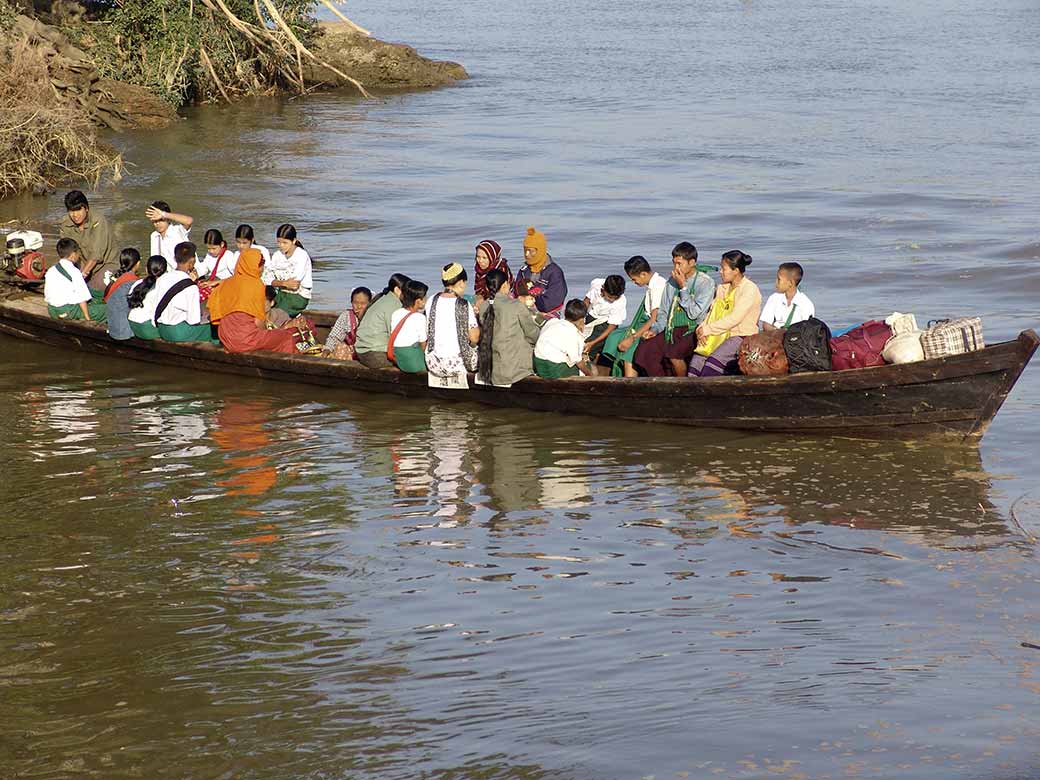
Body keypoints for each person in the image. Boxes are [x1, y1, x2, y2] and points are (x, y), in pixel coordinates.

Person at [633, 242, 716, 377]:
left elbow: (694, 313)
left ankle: (682, 385)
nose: (676, 267)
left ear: (692, 262)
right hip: (672, 328)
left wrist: (683, 287)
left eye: (679, 263)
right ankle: (661, 383)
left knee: (674, 354)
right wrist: (654, 330)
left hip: (693, 329)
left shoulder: (705, 282)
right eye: (674, 263)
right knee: (644, 350)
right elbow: (663, 312)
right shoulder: (672, 281)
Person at [206, 248, 297, 354]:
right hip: (246, 340)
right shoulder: (256, 285)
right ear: (255, 267)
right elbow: (258, 322)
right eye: (261, 265)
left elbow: (215, 315)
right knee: (286, 336)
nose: (262, 269)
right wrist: (270, 332)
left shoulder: (226, 283)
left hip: (225, 338)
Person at [687, 250, 763, 377]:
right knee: (696, 363)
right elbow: (712, 312)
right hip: (719, 333)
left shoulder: (749, 289)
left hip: (741, 336)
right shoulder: (723, 287)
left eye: (724, 268)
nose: (720, 271)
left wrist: (708, 329)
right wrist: (701, 329)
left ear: (736, 270)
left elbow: (735, 318)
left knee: (710, 366)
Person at [600, 256, 668, 377]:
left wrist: (632, 338)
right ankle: (608, 373)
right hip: (645, 322)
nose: (634, 282)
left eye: (634, 279)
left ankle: (629, 380)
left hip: (653, 325)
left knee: (630, 351)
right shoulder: (652, 284)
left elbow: (654, 319)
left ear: (643, 274)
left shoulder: (657, 286)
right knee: (613, 337)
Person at [476, 267, 541, 387]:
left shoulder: (483, 307)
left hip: (490, 370)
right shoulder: (516, 306)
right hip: (514, 371)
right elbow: (533, 334)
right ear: (505, 284)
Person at [425, 263, 480, 381]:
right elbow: (474, 338)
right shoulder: (464, 304)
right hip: (456, 366)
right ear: (460, 283)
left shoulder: (431, 300)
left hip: (433, 363)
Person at [154, 241, 213, 343]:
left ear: (175, 259)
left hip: (162, 329)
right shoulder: (191, 287)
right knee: (214, 328)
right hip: (178, 333)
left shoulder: (162, 278)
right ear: (192, 261)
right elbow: (194, 320)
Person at [58, 190, 117, 291]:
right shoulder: (65, 224)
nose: (75, 215)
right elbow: (67, 253)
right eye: (71, 211)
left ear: (86, 208)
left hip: (106, 264)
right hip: (82, 265)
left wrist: (81, 277)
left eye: (78, 210)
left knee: (96, 288)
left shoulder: (98, 221)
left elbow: (96, 255)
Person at [44, 238, 107, 322]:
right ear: (73, 255)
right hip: (69, 311)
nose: (79, 255)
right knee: (106, 310)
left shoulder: (51, 270)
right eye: (78, 253)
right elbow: (82, 299)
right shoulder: (74, 272)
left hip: (52, 310)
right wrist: (87, 319)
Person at [355, 273, 409, 368]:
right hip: (373, 354)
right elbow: (396, 336)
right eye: (407, 292)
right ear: (397, 290)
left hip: (362, 351)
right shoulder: (394, 304)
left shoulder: (383, 298)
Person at [512, 226, 567, 318]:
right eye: (525, 250)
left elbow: (552, 302)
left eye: (530, 251)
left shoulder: (554, 272)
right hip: (523, 312)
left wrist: (531, 302)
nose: (527, 254)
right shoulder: (524, 270)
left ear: (540, 250)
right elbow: (517, 291)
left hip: (548, 315)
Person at [262, 223, 312, 317]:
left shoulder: (302, 255)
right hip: (281, 294)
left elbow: (294, 285)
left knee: (275, 315)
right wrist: (284, 283)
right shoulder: (277, 255)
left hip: (298, 297)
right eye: (279, 242)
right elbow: (266, 278)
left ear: (293, 241)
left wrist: (276, 282)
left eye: (285, 243)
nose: (281, 246)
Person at [534, 299, 591, 378]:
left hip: (539, 363)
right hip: (552, 369)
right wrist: (590, 374)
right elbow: (577, 361)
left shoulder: (552, 322)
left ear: (565, 313)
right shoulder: (572, 333)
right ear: (582, 320)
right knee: (591, 367)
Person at [581, 274, 627, 372]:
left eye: (615, 298)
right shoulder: (596, 286)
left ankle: (588, 368)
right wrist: (580, 319)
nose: (612, 300)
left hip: (606, 323)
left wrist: (592, 343)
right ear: (603, 290)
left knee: (588, 346)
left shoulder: (620, 302)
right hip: (591, 317)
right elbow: (586, 302)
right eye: (610, 297)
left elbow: (611, 326)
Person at [388, 280, 430, 373]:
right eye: (425, 298)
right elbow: (423, 346)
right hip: (413, 363)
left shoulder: (396, 313)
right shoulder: (420, 317)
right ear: (418, 301)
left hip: (399, 360)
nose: (426, 300)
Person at [759, 262, 814, 331]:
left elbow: (806, 330)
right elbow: (766, 324)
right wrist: (777, 332)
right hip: (774, 335)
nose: (776, 283)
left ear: (790, 283)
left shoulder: (805, 304)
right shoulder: (774, 298)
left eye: (779, 280)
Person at [323, 286, 373, 359]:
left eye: (363, 303)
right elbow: (335, 337)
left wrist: (361, 318)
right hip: (351, 353)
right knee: (340, 348)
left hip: (368, 353)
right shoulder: (346, 316)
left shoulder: (374, 316)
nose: (358, 306)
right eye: (355, 303)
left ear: (369, 304)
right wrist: (327, 349)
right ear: (351, 302)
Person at [104, 248, 142, 341]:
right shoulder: (132, 281)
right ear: (137, 263)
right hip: (124, 331)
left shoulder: (117, 276)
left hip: (112, 325)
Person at [127, 255, 168, 339]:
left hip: (132, 323)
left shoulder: (137, 283)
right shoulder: (162, 288)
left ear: (146, 269)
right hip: (146, 328)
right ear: (165, 271)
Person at [146, 200, 194, 272]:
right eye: (155, 221)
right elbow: (154, 259)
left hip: (185, 274)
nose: (157, 224)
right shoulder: (154, 236)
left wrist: (163, 214)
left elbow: (189, 221)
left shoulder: (177, 231)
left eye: (161, 220)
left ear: (168, 219)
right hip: (167, 276)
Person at [195, 229, 238, 300]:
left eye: (214, 248)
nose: (211, 251)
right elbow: (203, 268)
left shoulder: (228, 255)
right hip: (212, 281)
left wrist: (216, 282)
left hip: (224, 284)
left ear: (222, 244)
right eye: (208, 248)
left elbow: (236, 276)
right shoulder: (209, 255)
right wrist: (195, 274)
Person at [473, 239, 513, 308]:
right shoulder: (479, 271)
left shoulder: (501, 270)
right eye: (478, 257)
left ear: (492, 257)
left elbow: (503, 293)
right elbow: (479, 291)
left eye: (484, 258)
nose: (480, 261)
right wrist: (480, 298)